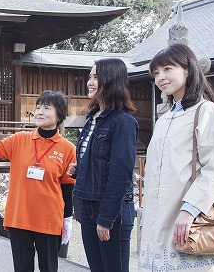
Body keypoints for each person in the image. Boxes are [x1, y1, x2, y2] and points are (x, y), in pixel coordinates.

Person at [138, 43, 214, 271]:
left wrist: (190, 209)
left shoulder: (206, 111)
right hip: (159, 217)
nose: (160, 77)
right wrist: (146, 217)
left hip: (189, 214)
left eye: (167, 69)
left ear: (188, 69)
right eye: (156, 73)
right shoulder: (165, 118)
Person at [0, 90, 76, 272]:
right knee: (22, 268)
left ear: (59, 115)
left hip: (49, 219)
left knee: (49, 268)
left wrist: (67, 219)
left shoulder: (68, 149)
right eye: (37, 107)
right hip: (20, 217)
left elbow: (67, 187)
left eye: (46, 108)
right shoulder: (20, 139)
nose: (39, 112)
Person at [68, 58, 138, 272]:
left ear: (112, 80)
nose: (90, 82)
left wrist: (106, 218)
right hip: (88, 205)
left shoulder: (123, 121)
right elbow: (100, 161)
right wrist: (80, 169)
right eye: (90, 77)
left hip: (110, 209)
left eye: (96, 77)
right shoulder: (92, 118)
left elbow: (120, 174)